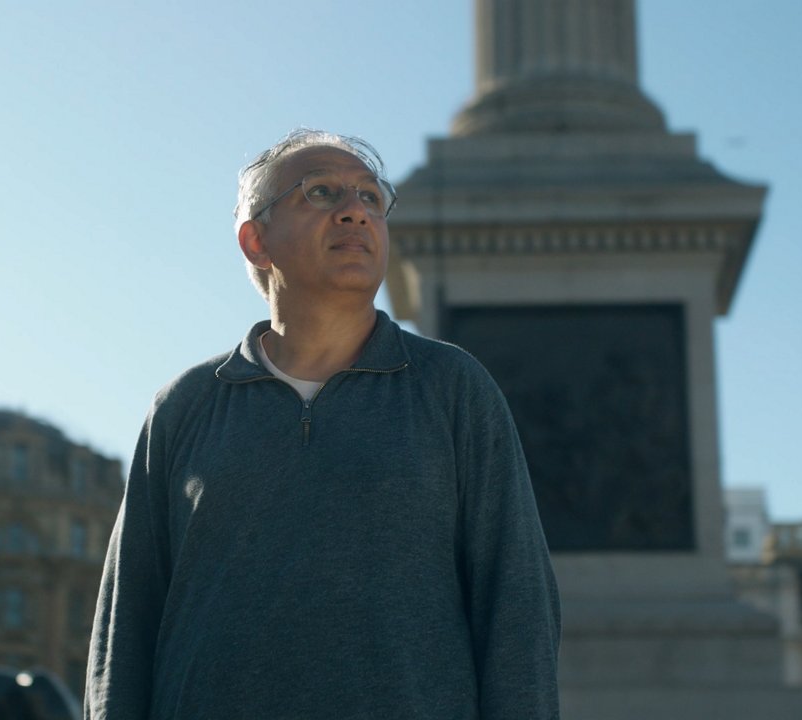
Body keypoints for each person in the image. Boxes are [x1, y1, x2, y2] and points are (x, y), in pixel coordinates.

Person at [85, 129, 560, 720]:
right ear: (256, 240)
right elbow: (125, 621)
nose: (355, 212)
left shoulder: (454, 388)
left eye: (370, 197)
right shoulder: (184, 406)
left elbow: (516, 602)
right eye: (321, 192)